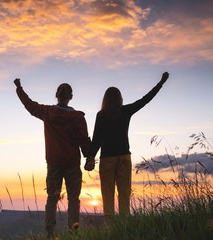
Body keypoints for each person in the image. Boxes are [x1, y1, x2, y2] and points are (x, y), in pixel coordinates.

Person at [13, 78, 91, 238]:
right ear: (71, 97)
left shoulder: (48, 112)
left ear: (56, 95)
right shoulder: (77, 117)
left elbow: (29, 104)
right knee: (74, 199)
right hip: (72, 164)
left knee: (52, 198)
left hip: (54, 163)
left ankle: (50, 232)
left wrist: (19, 88)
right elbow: (84, 139)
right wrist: (89, 158)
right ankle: (73, 232)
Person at [85, 72, 169, 217]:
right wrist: (160, 84)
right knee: (124, 196)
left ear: (105, 99)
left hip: (107, 160)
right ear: (120, 99)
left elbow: (97, 139)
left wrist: (90, 157)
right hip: (124, 158)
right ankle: (124, 227)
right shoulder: (125, 111)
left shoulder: (101, 115)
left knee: (107, 197)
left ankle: (111, 229)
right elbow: (145, 100)